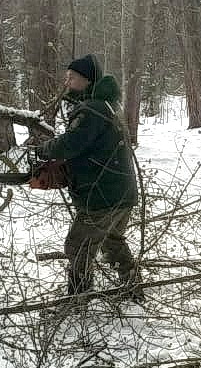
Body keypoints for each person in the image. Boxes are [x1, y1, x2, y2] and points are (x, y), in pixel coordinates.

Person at [34, 55, 144, 301]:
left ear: (87, 81)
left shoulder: (92, 109)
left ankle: (78, 298)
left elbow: (71, 143)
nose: (67, 82)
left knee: (78, 245)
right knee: (112, 241)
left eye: (72, 77)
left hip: (101, 195)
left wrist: (45, 149)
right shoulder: (109, 106)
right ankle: (132, 288)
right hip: (122, 193)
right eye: (67, 76)